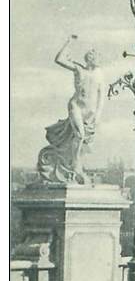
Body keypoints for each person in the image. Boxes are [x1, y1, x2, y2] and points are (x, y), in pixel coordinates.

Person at [37, 36, 105, 185]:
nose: (99, 59)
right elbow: (59, 59)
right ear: (89, 59)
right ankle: (76, 167)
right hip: (76, 107)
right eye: (96, 57)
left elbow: (101, 97)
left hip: (90, 114)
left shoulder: (99, 74)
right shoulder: (79, 69)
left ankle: (72, 164)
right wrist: (69, 42)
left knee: (82, 142)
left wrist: (98, 115)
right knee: (79, 136)